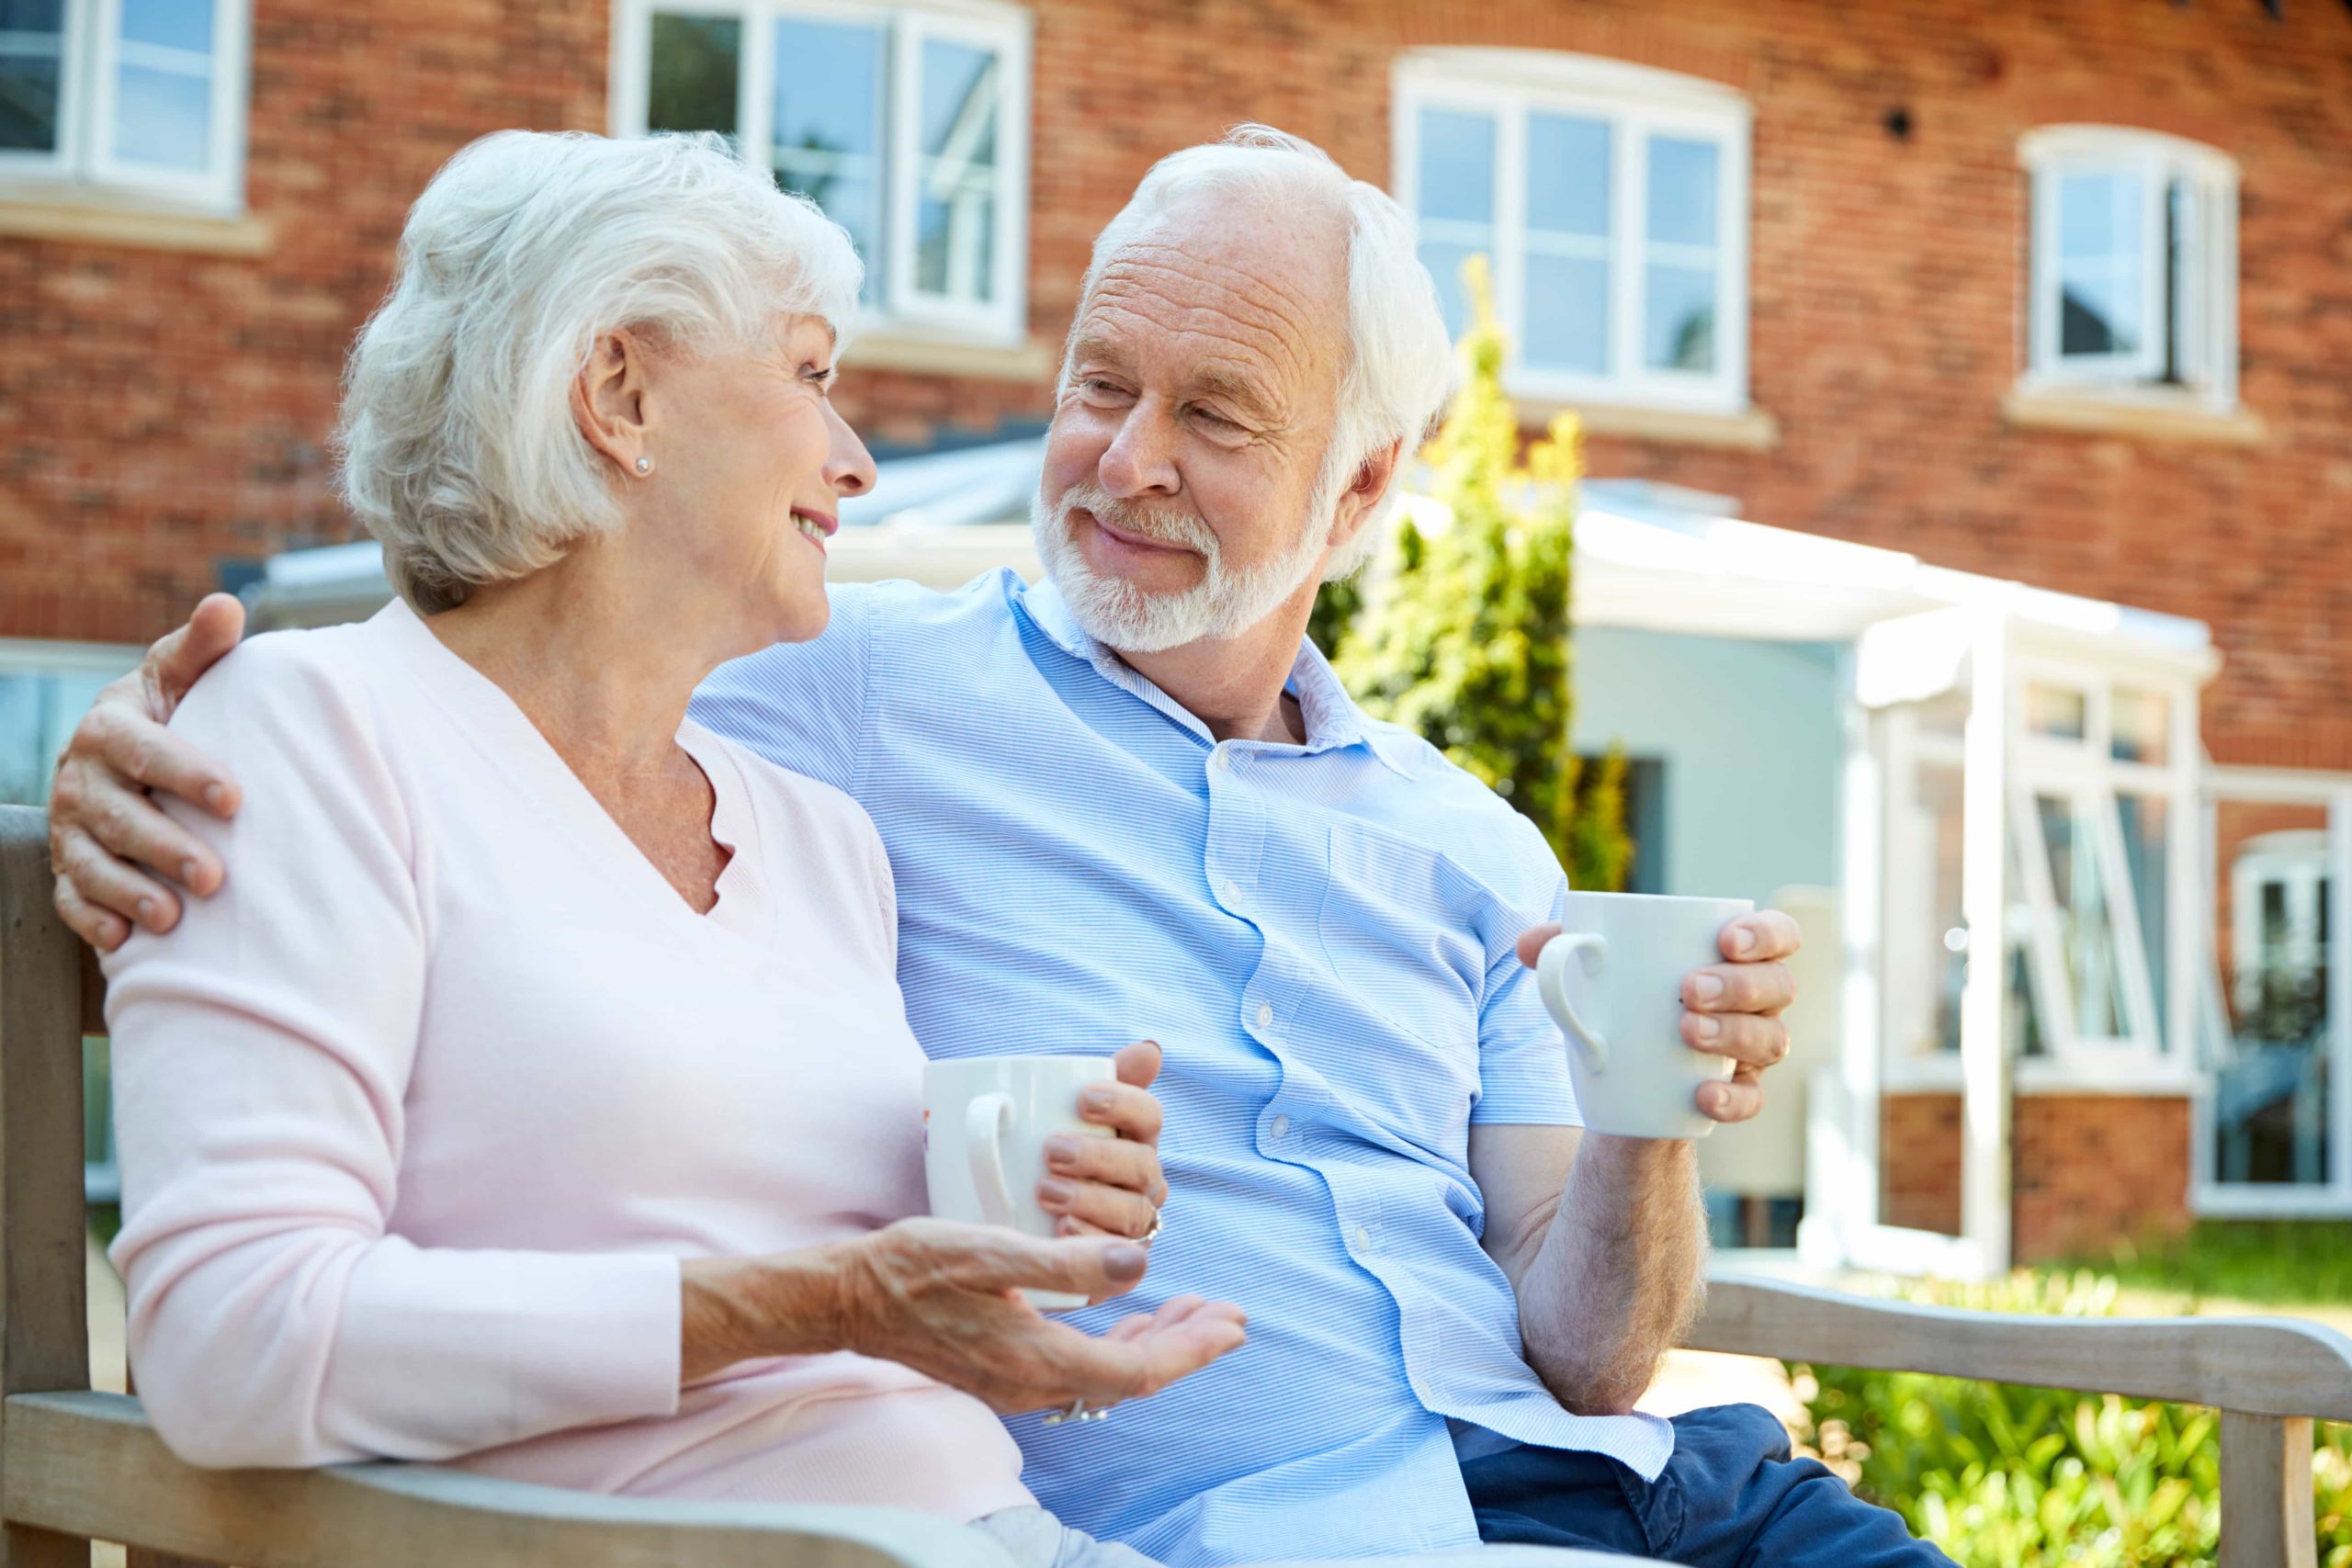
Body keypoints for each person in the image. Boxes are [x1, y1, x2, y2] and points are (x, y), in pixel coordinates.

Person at [53, 127, 1951, 1566]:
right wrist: (144, 739)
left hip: (1644, 1471)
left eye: (1211, 417)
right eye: (1098, 386)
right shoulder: (840, 693)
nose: (1121, 462)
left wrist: (1653, 1099)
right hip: (1302, 1524)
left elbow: (1588, 1348)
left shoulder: (1455, 840)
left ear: (1362, 487)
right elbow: (504, 668)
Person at [81, 128, 1246, 1568]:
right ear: (620, 391)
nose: (858, 460)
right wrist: (828, 1302)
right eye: (812, 376)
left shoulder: (817, 837)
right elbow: (232, 1341)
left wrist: (1022, 1217)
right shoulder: (313, 730)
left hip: (988, 1534)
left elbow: (841, 1285)